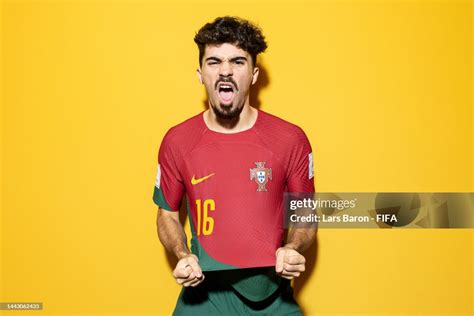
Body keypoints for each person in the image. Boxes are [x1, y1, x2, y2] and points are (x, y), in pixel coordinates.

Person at [153, 16, 316, 315]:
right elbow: (167, 213)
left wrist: (293, 248)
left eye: (237, 62)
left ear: (253, 74)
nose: (225, 71)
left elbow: (305, 212)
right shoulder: (178, 141)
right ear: (200, 73)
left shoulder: (290, 139)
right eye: (214, 61)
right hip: (204, 296)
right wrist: (181, 253)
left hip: (271, 298)